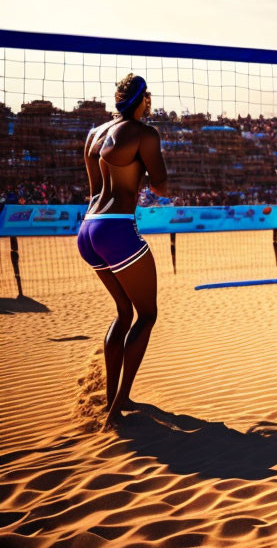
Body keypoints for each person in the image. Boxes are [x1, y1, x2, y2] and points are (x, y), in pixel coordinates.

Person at [76, 74, 168, 426]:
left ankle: (113, 398)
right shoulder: (145, 134)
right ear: (143, 100)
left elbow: (96, 186)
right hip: (116, 229)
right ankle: (117, 407)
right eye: (149, 98)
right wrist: (152, 172)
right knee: (147, 315)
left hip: (88, 228)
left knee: (123, 312)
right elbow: (160, 187)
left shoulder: (94, 133)